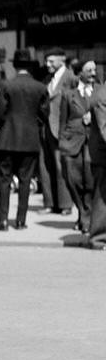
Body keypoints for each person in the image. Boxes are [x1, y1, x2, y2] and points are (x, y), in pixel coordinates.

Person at [0, 54, 48, 230]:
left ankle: (2, 220)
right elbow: (45, 114)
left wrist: (6, 125)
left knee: (5, 179)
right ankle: (21, 221)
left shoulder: (7, 85)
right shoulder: (40, 87)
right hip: (30, 140)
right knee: (25, 180)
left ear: (15, 66)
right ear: (30, 67)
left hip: (8, 138)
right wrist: (33, 124)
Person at [57, 60, 97, 233]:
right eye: (89, 70)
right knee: (73, 180)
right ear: (80, 73)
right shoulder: (68, 94)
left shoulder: (100, 92)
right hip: (71, 142)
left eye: (94, 70)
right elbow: (62, 121)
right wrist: (62, 142)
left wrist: (92, 117)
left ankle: (86, 217)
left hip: (93, 142)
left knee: (90, 181)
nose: (93, 73)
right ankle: (82, 212)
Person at [43, 48, 78, 214]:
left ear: (62, 60)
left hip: (61, 129)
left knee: (60, 166)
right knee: (46, 166)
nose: (47, 64)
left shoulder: (71, 78)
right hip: (46, 128)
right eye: (46, 61)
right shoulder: (47, 79)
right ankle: (50, 203)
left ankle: (65, 204)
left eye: (51, 61)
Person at [85, 74, 106, 250]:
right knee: (101, 197)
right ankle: (98, 238)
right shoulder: (102, 96)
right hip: (103, 156)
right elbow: (105, 128)